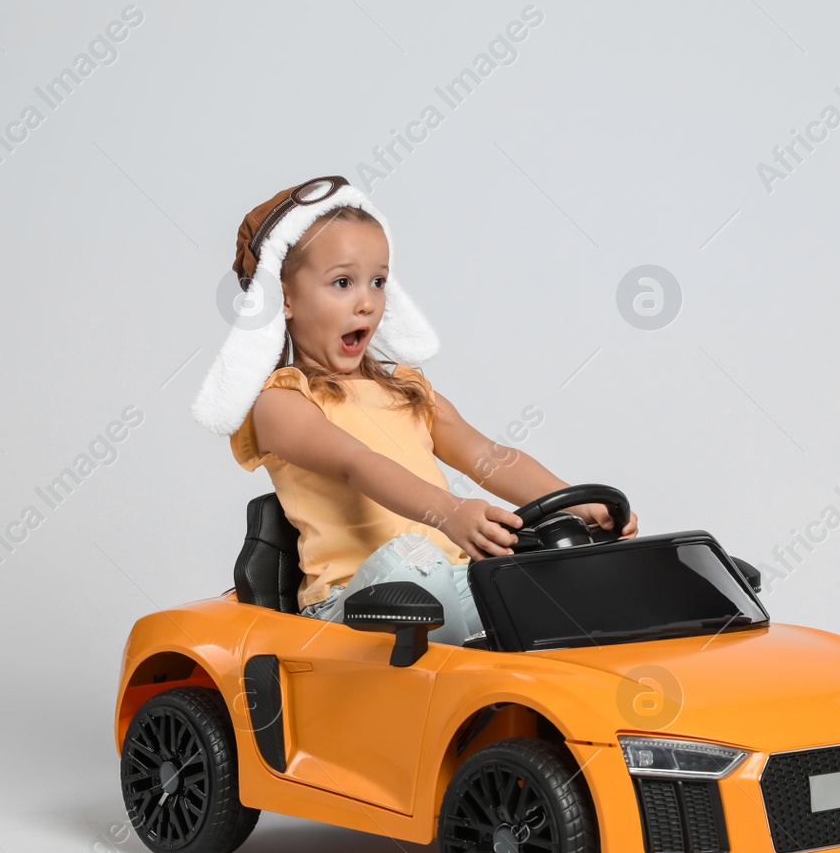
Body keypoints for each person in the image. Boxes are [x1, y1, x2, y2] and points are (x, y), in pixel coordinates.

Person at [191, 175, 637, 646]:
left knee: (535, 575)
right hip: (352, 606)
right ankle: (477, 660)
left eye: (378, 282)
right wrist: (448, 512)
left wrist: (577, 502)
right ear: (283, 298)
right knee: (416, 559)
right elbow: (355, 464)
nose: (366, 302)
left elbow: (487, 455)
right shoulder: (281, 403)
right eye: (342, 282)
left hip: (450, 583)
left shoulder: (409, 390)